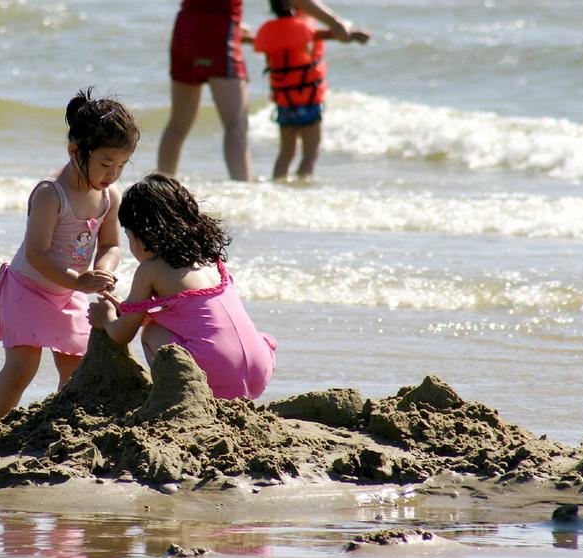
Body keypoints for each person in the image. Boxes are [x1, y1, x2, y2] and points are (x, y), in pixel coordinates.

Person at [0, 88, 140, 422]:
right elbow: (37, 253)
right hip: (29, 288)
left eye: (122, 165)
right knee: (21, 368)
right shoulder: (50, 193)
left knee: (76, 367)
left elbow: (111, 245)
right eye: (105, 163)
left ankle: (59, 426)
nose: (112, 174)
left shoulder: (109, 196)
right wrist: (79, 280)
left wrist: (103, 271)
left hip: (71, 292)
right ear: (75, 151)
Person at [87, 173, 276, 400]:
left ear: (143, 234)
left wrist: (107, 317)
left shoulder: (150, 268)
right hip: (258, 368)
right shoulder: (209, 260)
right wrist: (130, 309)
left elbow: (122, 333)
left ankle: (174, 394)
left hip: (212, 376)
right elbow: (191, 315)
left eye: (129, 236)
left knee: (152, 331)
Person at [156, 0, 357, 181]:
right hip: (216, 33)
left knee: (177, 124)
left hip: (185, 29)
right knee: (235, 124)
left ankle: (161, 191)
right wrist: (336, 22)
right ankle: (241, 186)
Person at [254, 0, 370, 180]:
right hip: (308, 101)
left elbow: (255, 43)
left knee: (285, 153)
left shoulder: (266, 30)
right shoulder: (304, 28)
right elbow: (332, 35)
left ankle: (277, 184)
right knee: (311, 152)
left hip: (284, 103)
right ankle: (302, 186)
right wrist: (355, 35)